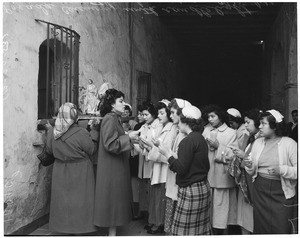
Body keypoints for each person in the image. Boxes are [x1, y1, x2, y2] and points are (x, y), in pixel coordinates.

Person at [45, 102, 98, 234]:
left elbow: (49, 150)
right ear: (75, 117)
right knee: (81, 200)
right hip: (80, 170)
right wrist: (95, 132)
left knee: (63, 200)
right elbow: (91, 149)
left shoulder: (53, 132)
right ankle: (80, 227)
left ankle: (64, 228)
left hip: (60, 169)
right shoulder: (81, 132)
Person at [158, 105, 212, 235]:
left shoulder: (187, 141)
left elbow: (181, 169)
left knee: (182, 232)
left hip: (190, 190)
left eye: (180, 120)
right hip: (202, 187)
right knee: (199, 231)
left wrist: (167, 154)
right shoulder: (199, 138)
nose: (177, 124)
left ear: (186, 122)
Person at [93, 89, 139, 236]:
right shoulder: (109, 118)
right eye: (121, 101)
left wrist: (128, 137)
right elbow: (110, 143)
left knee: (114, 200)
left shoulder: (114, 118)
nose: (124, 104)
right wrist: (129, 137)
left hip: (115, 166)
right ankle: (111, 234)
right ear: (112, 104)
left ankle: (112, 233)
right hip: (112, 168)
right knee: (112, 199)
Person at [244, 109, 297, 234]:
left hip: (281, 192)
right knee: (261, 227)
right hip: (260, 191)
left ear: (274, 126)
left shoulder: (289, 144)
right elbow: (252, 171)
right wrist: (249, 165)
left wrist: (282, 170)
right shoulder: (257, 143)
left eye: (263, 124)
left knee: (281, 227)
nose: (259, 126)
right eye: (259, 123)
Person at [202, 104, 238, 235]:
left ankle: (223, 233)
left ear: (220, 117)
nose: (210, 119)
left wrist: (219, 147)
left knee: (222, 210)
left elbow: (233, 155)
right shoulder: (205, 130)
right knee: (209, 209)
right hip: (208, 173)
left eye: (213, 116)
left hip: (222, 177)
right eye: (208, 117)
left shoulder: (231, 133)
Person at [145, 99, 178, 234]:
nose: (158, 116)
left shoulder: (172, 128)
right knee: (155, 195)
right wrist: (148, 147)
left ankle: (161, 224)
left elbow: (166, 149)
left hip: (165, 167)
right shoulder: (161, 127)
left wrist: (152, 148)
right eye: (158, 113)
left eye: (161, 113)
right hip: (158, 166)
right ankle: (155, 221)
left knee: (162, 197)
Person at [228, 108, 262, 234]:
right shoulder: (250, 138)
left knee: (250, 218)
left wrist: (243, 156)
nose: (245, 125)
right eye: (245, 122)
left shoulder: (261, 141)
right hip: (245, 183)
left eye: (248, 122)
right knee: (244, 218)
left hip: (253, 184)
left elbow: (257, 162)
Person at [163, 98, 192, 235]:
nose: (171, 116)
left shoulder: (186, 135)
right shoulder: (175, 129)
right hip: (172, 176)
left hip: (180, 179)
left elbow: (182, 159)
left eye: (173, 112)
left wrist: (167, 154)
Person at [134, 102, 162, 226]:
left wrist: (145, 147)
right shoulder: (145, 125)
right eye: (143, 114)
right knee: (146, 190)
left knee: (153, 191)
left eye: (146, 114)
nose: (144, 117)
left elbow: (156, 145)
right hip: (145, 159)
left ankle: (154, 220)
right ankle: (149, 218)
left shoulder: (158, 126)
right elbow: (138, 137)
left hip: (153, 161)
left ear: (153, 114)